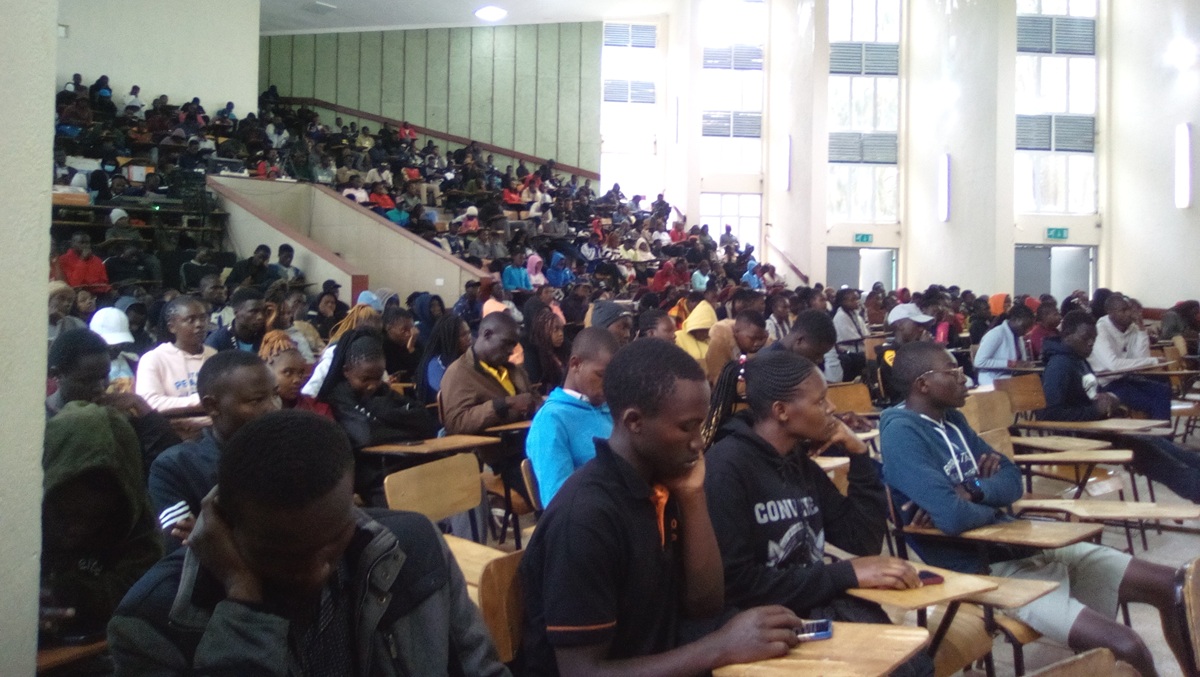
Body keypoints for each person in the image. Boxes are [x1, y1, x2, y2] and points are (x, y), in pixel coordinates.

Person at [108, 410, 511, 675]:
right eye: (284, 555)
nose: (316, 571)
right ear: (223, 523)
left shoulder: (413, 545)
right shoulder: (153, 623)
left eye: (334, 542)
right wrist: (245, 600)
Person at [881, 341, 1195, 677]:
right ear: (922, 384)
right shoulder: (902, 434)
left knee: (1175, 586)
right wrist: (981, 503)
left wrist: (973, 490)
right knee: (1128, 646)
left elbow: (1012, 479)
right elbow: (955, 517)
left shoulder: (953, 420)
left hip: (1022, 541)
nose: (965, 379)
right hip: (985, 569)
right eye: (953, 372)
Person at [519, 339, 805, 677]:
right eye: (687, 427)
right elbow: (582, 672)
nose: (699, 442)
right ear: (634, 422)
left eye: (701, 424)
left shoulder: (662, 484)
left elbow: (705, 605)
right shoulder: (586, 518)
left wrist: (693, 497)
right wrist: (719, 648)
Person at [704, 350, 933, 677]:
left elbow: (861, 541)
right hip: (764, 629)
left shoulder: (800, 465)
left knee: (915, 662)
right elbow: (738, 584)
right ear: (781, 411)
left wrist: (859, 456)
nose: (832, 409)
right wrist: (845, 574)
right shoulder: (726, 470)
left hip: (812, 608)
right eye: (821, 401)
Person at [1039, 311, 1200, 503]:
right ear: (1067, 336)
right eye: (1085, 338)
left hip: (1100, 428)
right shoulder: (1060, 366)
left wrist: (1109, 401)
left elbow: (1089, 396)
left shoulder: (1078, 360)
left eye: (1094, 338)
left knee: (1167, 447)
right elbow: (1049, 415)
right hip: (1082, 437)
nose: (1091, 343)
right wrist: (1095, 410)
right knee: (1157, 457)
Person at [41, 402, 163, 646]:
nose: (77, 529)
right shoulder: (17, 511)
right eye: (65, 515)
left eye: (95, 519)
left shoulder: (136, 517)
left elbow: (144, 592)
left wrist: (68, 594)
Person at [149, 351, 278, 552]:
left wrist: (225, 539)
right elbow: (182, 549)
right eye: (257, 400)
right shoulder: (176, 467)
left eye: (274, 395)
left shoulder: (289, 453)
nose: (273, 408)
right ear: (212, 406)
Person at [316, 329, 439, 500]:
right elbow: (365, 435)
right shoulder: (339, 395)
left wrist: (384, 412)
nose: (372, 386)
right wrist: (406, 428)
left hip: (399, 464)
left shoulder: (382, 393)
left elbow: (426, 421)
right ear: (346, 371)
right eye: (365, 379)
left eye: (378, 377)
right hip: (369, 477)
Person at [526, 328, 619, 507]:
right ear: (576, 364)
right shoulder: (552, 420)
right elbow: (557, 499)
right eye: (601, 375)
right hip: (588, 521)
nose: (609, 385)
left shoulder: (612, 409)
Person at [1090, 294, 1171, 420]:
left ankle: (1162, 437)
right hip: (1104, 383)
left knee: (1162, 390)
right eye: (1123, 310)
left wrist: (1141, 329)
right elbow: (1114, 365)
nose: (1129, 314)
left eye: (1129, 309)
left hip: (1125, 379)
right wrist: (1152, 361)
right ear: (1110, 312)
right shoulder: (1100, 330)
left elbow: (1141, 358)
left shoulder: (1133, 328)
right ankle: (1155, 438)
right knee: (1151, 403)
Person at [135, 296, 217, 412]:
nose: (199, 324)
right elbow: (150, 403)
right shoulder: (154, 359)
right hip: (173, 428)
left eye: (203, 318)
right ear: (172, 327)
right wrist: (201, 401)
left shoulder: (213, 355)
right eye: (190, 320)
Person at [258, 330, 332, 418]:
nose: (297, 380)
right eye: (288, 372)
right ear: (268, 372)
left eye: (301, 374)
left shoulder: (316, 409)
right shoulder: (257, 411)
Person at [876, 303, 934, 405]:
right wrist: (922, 349)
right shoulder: (890, 354)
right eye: (917, 324)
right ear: (900, 325)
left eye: (923, 326)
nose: (922, 329)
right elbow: (911, 382)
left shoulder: (913, 350)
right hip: (906, 406)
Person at [973, 303, 1035, 386]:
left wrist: (1025, 364)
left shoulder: (1017, 336)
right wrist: (1011, 363)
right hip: (992, 379)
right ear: (1015, 319)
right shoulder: (997, 333)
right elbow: (979, 362)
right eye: (1024, 327)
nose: (1026, 331)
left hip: (1011, 377)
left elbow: (1019, 361)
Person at [704, 310, 769, 383]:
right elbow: (719, 382)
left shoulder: (764, 339)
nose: (757, 343)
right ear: (736, 332)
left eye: (760, 338)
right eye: (752, 338)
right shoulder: (719, 343)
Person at [204, 286, 268, 353]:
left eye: (264, 311)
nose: (260, 317)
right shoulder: (217, 340)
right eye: (253, 311)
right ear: (236, 312)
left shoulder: (268, 336)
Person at [524, 310, 569, 391]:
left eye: (561, 329)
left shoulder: (564, 348)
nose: (560, 334)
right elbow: (538, 385)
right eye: (555, 330)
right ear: (542, 330)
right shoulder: (533, 353)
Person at [381, 306, 420, 382]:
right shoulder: (381, 346)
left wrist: (411, 349)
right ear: (388, 328)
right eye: (404, 329)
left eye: (412, 328)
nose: (409, 333)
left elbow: (420, 373)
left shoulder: (415, 342)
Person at [48, 281, 86, 346]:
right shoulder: (36, 324)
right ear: (48, 300)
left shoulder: (77, 324)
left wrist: (60, 322)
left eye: (70, 300)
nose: (66, 304)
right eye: (61, 298)